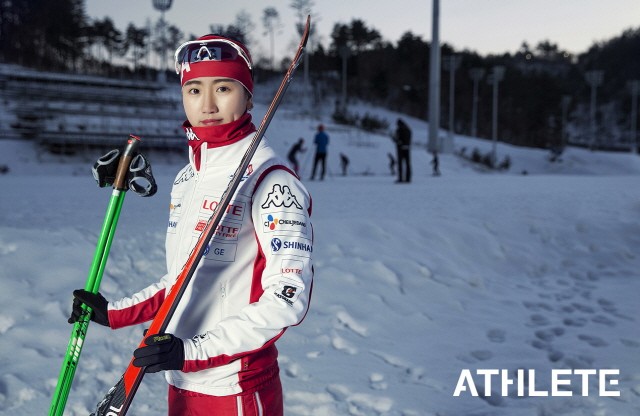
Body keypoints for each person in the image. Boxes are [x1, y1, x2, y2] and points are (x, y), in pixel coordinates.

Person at [68, 33, 313, 416]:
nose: (208, 104)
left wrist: (191, 351)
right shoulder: (187, 179)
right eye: (195, 89)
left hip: (236, 387)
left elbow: (286, 299)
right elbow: (182, 279)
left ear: (248, 97)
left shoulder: (273, 182)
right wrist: (113, 313)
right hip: (181, 381)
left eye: (224, 88)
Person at [393, 118, 411, 183]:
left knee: (400, 164)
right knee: (408, 164)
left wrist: (396, 140)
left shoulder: (399, 130)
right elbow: (409, 139)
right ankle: (408, 178)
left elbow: (396, 139)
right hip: (407, 148)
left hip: (400, 148)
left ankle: (400, 178)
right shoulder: (409, 129)